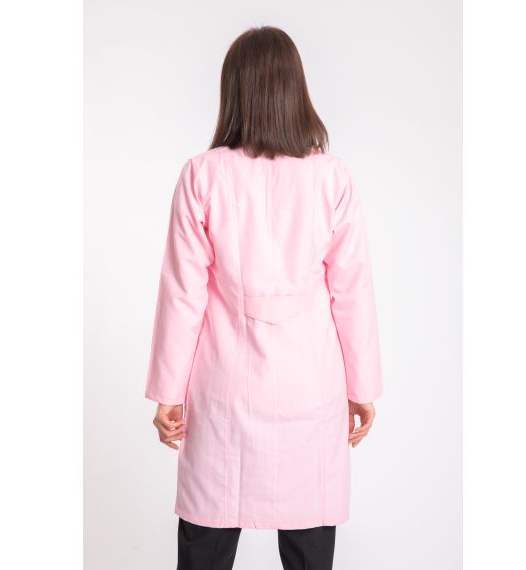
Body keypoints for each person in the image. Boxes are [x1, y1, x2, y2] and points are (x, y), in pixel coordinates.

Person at [145, 25, 383, 570]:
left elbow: (183, 291)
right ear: (296, 90)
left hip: (223, 385)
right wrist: (363, 387)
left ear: (235, 91)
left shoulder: (203, 175)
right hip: (310, 386)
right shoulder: (331, 177)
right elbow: (352, 289)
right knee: (309, 542)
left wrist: (168, 392)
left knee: (206, 538)